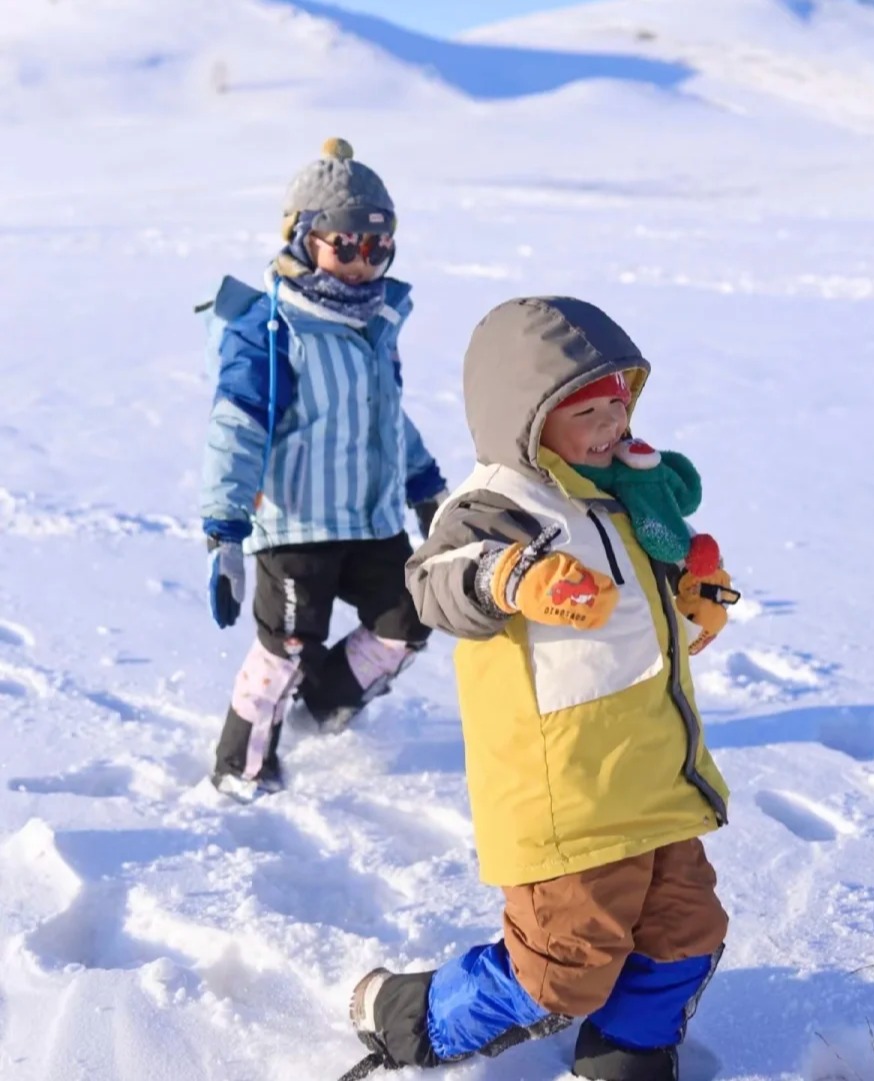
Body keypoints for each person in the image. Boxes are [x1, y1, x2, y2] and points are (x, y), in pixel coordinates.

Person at [343, 296, 739, 1080]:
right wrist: (512, 574)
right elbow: (434, 582)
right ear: (525, 418)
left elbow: (650, 579)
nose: (612, 423)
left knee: (687, 929)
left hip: (657, 774)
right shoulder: (500, 504)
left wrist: (694, 591)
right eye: (587, 410)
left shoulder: (622, 493)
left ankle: (628, 1047)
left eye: (619, 401)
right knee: (560, 966)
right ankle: (407, 1016)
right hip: (570, 795)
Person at [199, 138, 446, 801]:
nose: (364, 264)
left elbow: (385, 416)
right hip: (295, 524)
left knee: (410, 614)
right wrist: (224, 531)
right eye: (346, 245)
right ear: (304, 237)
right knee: (288, 643)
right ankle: (241, 766)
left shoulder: (377, 322)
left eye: (378, 247)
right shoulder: (270, 328)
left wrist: (426, 486)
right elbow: (237, 427)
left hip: (370, 519)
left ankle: (325, 709)